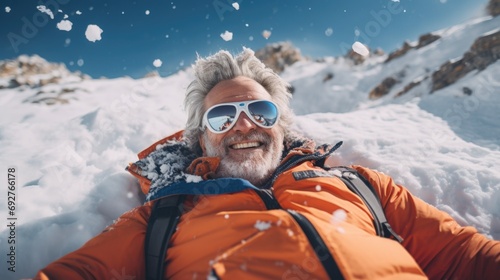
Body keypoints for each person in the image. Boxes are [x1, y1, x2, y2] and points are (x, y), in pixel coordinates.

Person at [35, 48, 500, 280]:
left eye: (261, 112)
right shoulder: (162, 216)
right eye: (223, 115)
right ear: (201, 137)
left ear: (281, 124)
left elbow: (463, 255)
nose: (244, 126)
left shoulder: (362, 187)